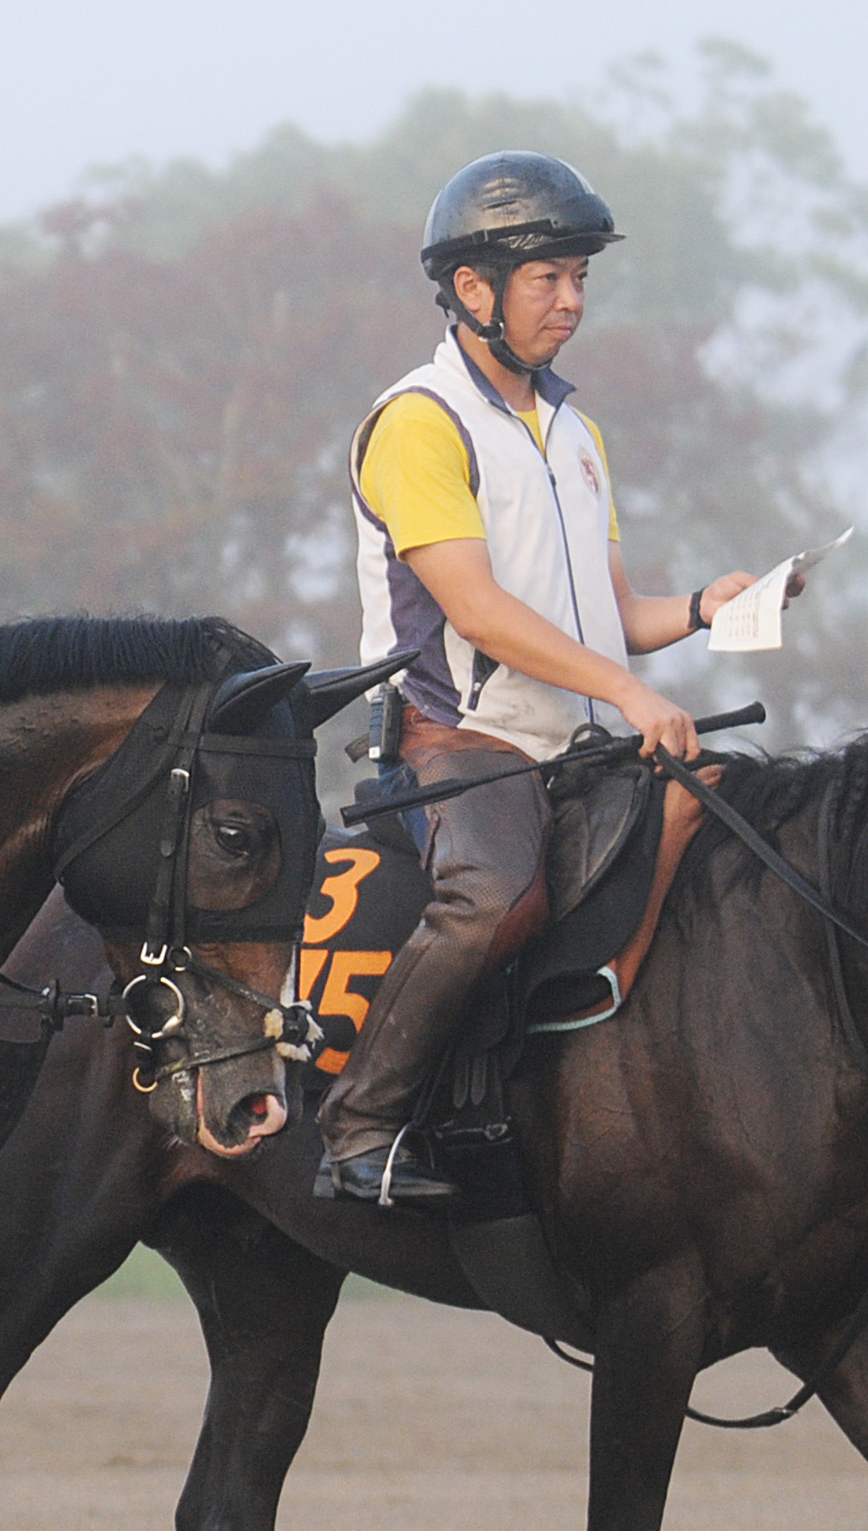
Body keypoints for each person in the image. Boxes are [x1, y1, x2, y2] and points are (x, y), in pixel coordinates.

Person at [319, 151, 780, 1203]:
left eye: (580, 279)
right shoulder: (417, 424)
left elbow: (614, 620)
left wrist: (712, 606)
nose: (572, 302)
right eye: (549, 280)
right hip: (454, 741)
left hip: (574, 738)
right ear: (471, 290)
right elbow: (476, 610)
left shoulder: (577, 432)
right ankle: (359, 1129)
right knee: (492, 896)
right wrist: (627, 693)